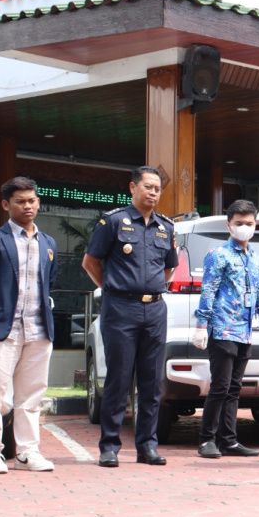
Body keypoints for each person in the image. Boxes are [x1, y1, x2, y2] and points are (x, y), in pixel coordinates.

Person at [82, 166, 178, 468]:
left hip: (155, 310)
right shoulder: (113, 221)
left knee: (151, 383)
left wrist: (149, 289)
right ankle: (109, 446)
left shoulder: (166, 227)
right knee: (119, 379)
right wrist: (114, 289)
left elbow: (169, 268)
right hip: (120, 309)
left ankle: (147, 446)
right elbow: (90, 262)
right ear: (132, 188)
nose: (153, 192)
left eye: (157, 188)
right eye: (148, 186)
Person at [0, 176, 58, 474]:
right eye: (20, 201)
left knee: (32, 394)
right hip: (0, 328)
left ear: (38, 202)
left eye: (32, 200)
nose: (27, 206)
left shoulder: (48, 243)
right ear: (6, 205)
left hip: (38, 328)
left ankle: (27, 452)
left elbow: (49, 283)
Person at [191, 200, 259, 460]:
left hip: (245, 331)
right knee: (219, 387)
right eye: (239, 223)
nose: (244, 228)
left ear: (255, 225)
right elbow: (207, 291)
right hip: (222, 329)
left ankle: (228, 440)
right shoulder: (218, 255)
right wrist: (200, 325)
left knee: (234, 388)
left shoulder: (255, 258)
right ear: (228, 225)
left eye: (249, 224)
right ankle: (207, 439)